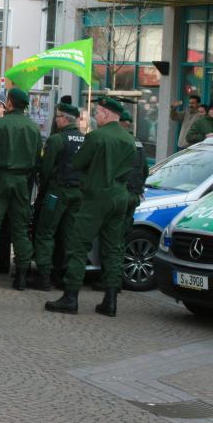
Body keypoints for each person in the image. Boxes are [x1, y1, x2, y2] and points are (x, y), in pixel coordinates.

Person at [46, 97, 136, 317]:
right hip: (120, 196)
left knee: (78, 246)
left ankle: (70, 298)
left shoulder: (96, 137)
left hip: (96, 197)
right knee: (113, 248)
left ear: (106, 113)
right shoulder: (129, 139)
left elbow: (77, 163)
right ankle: (111, 300)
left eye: (97, 112)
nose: (96, 116)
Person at [0, 88, 42, 290]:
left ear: (10, 103)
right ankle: (21, 276)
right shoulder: (33, 128)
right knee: (20, 229)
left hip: (0, 179)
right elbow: (37, 160)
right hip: (22, 181)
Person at [31, 103, 85, 291]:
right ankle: (63, 275)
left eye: (57, 117)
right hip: (78, 194)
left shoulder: (56, 140)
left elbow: (45, 170)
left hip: (56, 194)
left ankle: (44, 276)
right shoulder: (85, 139)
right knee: (68, 235)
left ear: (63, 119)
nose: (55, 120)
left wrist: (43, 192)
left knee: (45, 232)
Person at [120, 110, 149, 239]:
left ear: (121, 123)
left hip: (122, 193)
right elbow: (145, 170)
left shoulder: (121, 140)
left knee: (114, 232)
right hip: (135, 194)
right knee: (125, 229)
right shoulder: (138, 142)